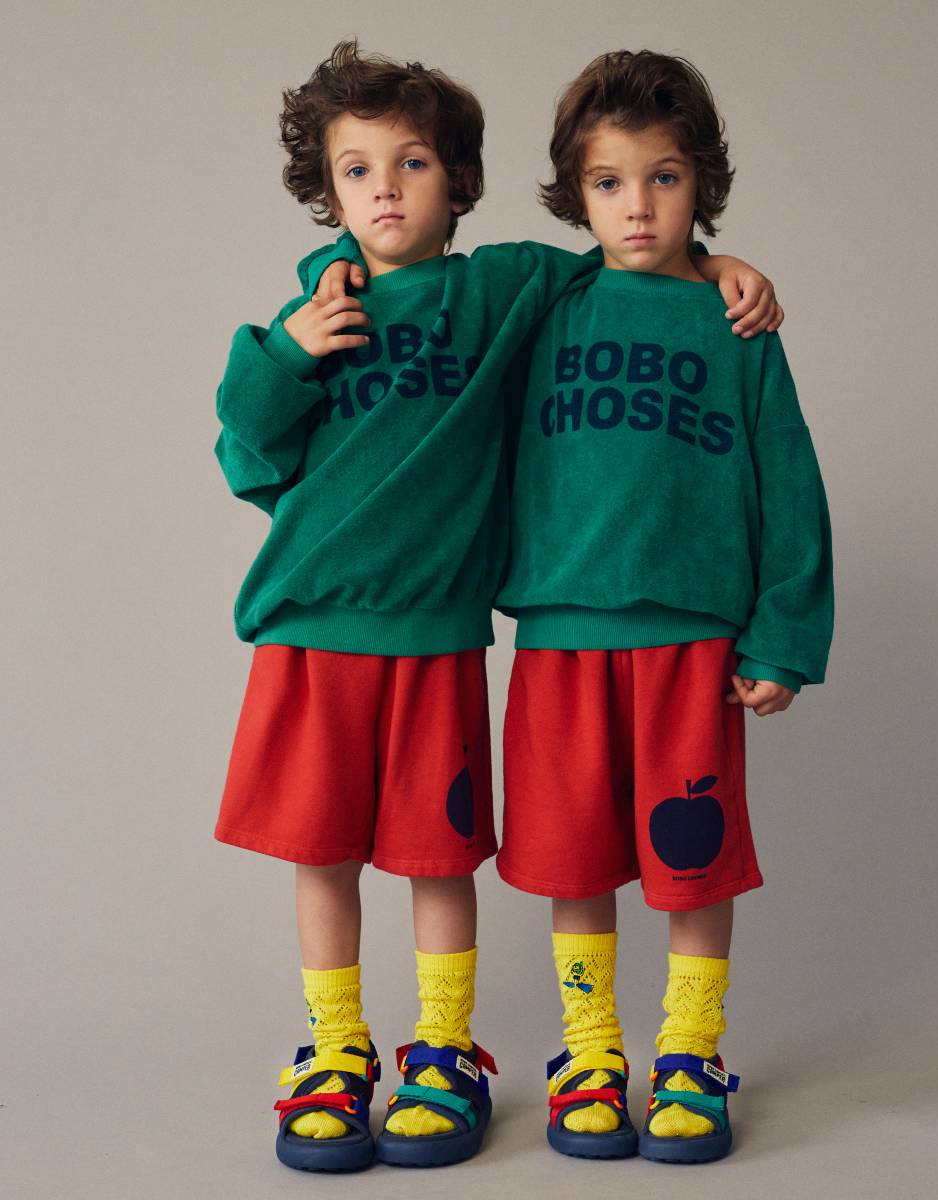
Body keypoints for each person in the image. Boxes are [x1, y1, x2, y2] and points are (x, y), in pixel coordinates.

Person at [217, 39, 781, 1172]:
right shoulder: (313, 311)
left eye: (413, 162)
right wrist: (282, 350)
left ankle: (445, 1050)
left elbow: (626, 260)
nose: (384, 186)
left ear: (458, 183)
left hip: (435, 633)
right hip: (309, 625)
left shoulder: (506, 288)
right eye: (357, 167)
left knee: (437, 855)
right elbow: (247, 452)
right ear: (325, 192)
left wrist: (722, 266)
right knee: (319, 854)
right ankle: (334, 1050)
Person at [494, 49, 834, 1165]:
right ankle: (590, 1051)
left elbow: (790, 487)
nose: (636, 207)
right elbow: (420, 270)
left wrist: (782, 631)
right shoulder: (543, 299)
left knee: (693, 861)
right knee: (575, 861)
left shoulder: (737, 329)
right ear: (574, 192)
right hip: (561, 634)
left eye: (664, 179)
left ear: (702, 185)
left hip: (692, 639)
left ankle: (690, 1051)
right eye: (608, 183)